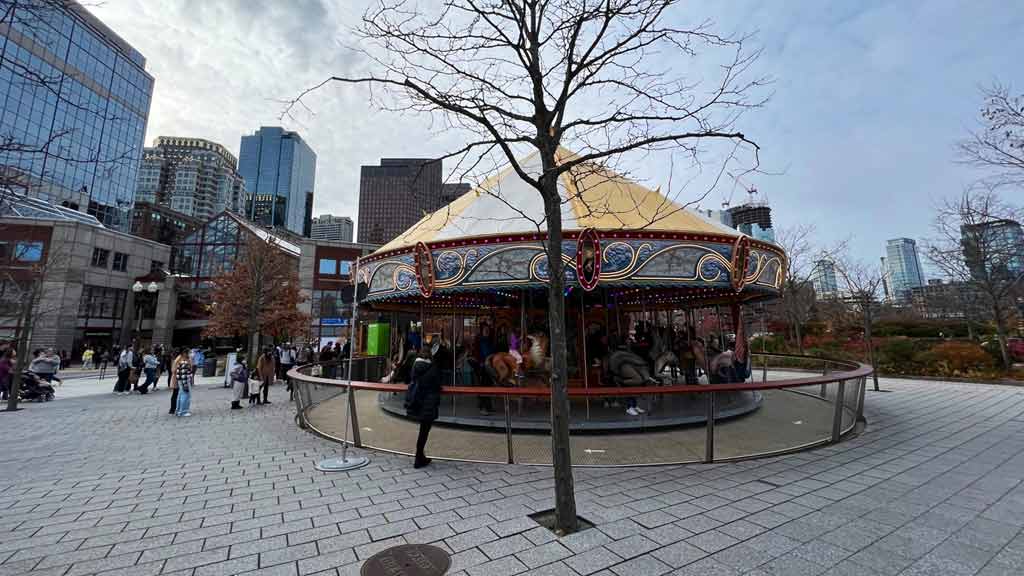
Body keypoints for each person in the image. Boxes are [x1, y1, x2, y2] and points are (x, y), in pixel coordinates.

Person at [405, 346, 442, 468]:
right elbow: (437, 384)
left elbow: (412, 380)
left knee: (422, 431)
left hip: (418, 401)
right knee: (424, 431)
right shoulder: (433, 367)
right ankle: (419, 457)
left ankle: (420, 456)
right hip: (428, 402)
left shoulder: (415, 366)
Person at [171, 348, 193, 416]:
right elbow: (182, 373)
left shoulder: (183, 360)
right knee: (185, 395)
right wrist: (185, 385)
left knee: (180, 395)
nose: (190, 354)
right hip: (183, 380)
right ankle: (183, 411)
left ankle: (178, 410)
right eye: (189, 353)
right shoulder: (182, 361)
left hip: (180, 379)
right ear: (184, 353)